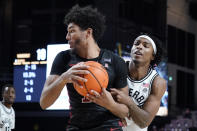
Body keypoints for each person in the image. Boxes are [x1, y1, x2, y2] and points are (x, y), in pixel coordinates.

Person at [40, 5, 129, 131]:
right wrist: (63, 79)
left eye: (71, 31)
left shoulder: (116, 61)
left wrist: (110, 104)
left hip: (108, 127)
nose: (67, 37)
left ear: (88, 33)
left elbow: (125, 111)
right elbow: (44, 103)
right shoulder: (63, 58)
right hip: (77, 127)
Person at [111, 34, 167, 131]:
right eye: (136, 44)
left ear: (153, 56)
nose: (139, 47)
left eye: (145, 46)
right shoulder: (115, 69)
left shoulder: (157, 82)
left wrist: (129, 102)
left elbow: (144, 121)